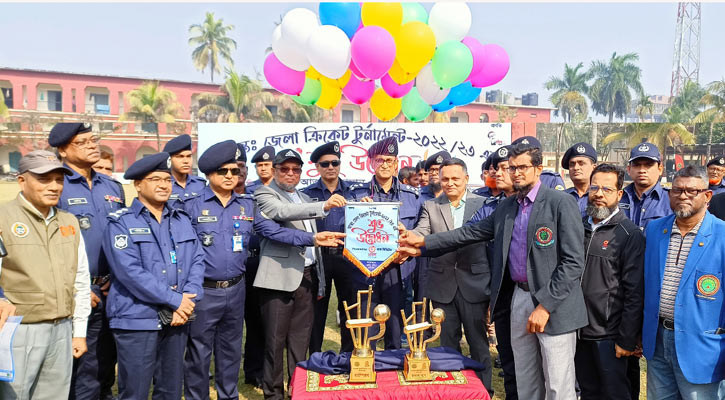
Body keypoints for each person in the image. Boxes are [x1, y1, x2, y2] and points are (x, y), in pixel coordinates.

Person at [400, 143, 588, 400]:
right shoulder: (507, 207)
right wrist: (421, 244)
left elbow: (573, 262)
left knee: (558, 383)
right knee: (525, 378)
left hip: (554, 302)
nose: (517, 173)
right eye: (512, 168)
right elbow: (469, 232)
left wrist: (545, 306)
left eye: (523, 167)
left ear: (538, 169)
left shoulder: (560, 202)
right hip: (518, 298)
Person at [183, 141, 341, 400]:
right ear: (209, 174)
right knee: (205, 351)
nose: (230, 177)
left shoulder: (245, 205)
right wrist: (323, 208)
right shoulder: (202, 204)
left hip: (252, 285)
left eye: (234, 172)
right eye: (223, 172)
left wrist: (313, 239)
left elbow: (272, 230)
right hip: (211, 288)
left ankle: (245, 394)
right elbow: (281, 212)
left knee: (234, 349)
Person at [102, 152, 205, 399]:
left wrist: (188, 299)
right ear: (137, 185)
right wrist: (175, 300)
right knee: (135, 391)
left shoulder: (180, 219)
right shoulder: (120, 222)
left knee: (170, 389)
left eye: (167, 180)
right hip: (137, 318)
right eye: (155, 179)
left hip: (177, 318)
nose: (163, 185)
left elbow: (197, 260)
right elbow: (130, 273)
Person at [253, 148, 346, 400]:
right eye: (284, 168)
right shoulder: (264, 193)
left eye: (296, 169)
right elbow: (282, 213)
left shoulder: (303, 196)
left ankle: (299, 390)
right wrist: (323, 206)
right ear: (274, 170)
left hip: (307, 277)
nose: (290, 173)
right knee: (274, 342)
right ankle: (273, 394)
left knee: (300, 340)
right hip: (278, 279)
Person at [0, 150, 91, 399]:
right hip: (19, 330)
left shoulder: (69, 221)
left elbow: (80, 279)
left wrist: (79, 331)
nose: (54, 186)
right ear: (21, 180)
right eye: (44, 179)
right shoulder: (3, 218)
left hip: (62, 328)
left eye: (59, 180)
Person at [48, 122, 125, 400]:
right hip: (77, 292)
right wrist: (77, 288)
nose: (93, 145)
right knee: (80, 364)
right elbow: (50, 244)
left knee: (107, 359)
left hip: (113, 288)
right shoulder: (56, 185)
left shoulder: (113, 187)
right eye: (83, 142)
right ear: (63, 151)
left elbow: (122, 238)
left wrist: (118, 278)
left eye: (94, 140)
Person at [642, 165, 725, 399]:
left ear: (707, 196)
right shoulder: (656, 229)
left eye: (692, 191)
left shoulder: (722, 235)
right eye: (677, 190)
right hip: (658, 341)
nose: (683, 196)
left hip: (703, 348)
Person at [410, 158, 492, 395]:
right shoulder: (431, 206)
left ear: (466, 179)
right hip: (442, 285)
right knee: (447, 344)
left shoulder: (484, 204)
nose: (450, 183)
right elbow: (421, 233)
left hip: (475, 284)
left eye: (456, 178)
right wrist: (407, 234)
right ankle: (453, 391)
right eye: (445, 178)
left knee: (478, 343)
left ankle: (485, 391)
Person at [576, 164, 645, 400]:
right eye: (594, 187)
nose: (599, 194)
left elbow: (634, 291)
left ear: (619, 194)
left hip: (610, 336)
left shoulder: (629, 234)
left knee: (615, 394)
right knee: (588, 392)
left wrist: (626, 339)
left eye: (607, 189)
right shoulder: (578, 226)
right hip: (578, 331)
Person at [349, 137, 422, 350]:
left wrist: (408, 248)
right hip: (366, 269)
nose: (385, 165)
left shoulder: (412, 196)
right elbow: (346, 230)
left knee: (395, 325)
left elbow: (420, 230)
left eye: (390, 160)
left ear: (397, 163)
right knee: (367, 325)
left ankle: (394, 368)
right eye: (380, 160)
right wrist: (357, 212)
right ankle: (367, 364)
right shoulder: (357, 194)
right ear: (371, 163)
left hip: (398, 269)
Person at [469, 145, 518, 400]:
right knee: (508, 358)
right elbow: (468, 233)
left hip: (530, 295)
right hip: (500, 292)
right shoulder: (491, 207)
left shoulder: (542, 204)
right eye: (495, 168)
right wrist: (423, 244)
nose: (497, 173)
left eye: (504, 168)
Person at [301, 141, 359, 354]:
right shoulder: (306, 194)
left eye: (335, 162)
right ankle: (315, 354)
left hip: (347, 257)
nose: (330, 167)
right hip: (319, 259)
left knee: (349, 309)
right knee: (316, 310)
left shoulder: (355, 192)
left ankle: (348, 354)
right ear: (317, 167)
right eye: (325, 164)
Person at [619, 142, 672, 230]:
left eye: (648, 165)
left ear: (660, 169)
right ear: (629, 169)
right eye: (636, 165)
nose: (642, 170)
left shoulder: (671, 200)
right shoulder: (618, 198)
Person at [164, 134, 206, 206]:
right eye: (180, 157)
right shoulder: (163, 184)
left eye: (189, 156)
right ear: (169, 160)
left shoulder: (200, 184)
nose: (186, 161)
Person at [562, 142, 597, 217]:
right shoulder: (560, 197)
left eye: (581, 163)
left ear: (594, 168)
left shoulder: (600, 197)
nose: (576, 168)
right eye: (572, 164)